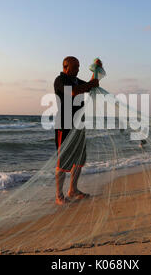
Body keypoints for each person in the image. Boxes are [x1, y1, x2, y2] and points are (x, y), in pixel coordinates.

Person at [54, 56, 100, 205]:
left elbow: (90, 86)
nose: (78, 69)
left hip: (78, 124)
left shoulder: (76, 80)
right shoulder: (60, 80)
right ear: (66, 67)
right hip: (64, 125)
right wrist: (90, 84)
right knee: (63, 161)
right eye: (75, 67)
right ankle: (59, 196)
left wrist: (96, 70)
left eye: (79, 67)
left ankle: (72, 190)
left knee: (80, 159)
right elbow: (73, 92)